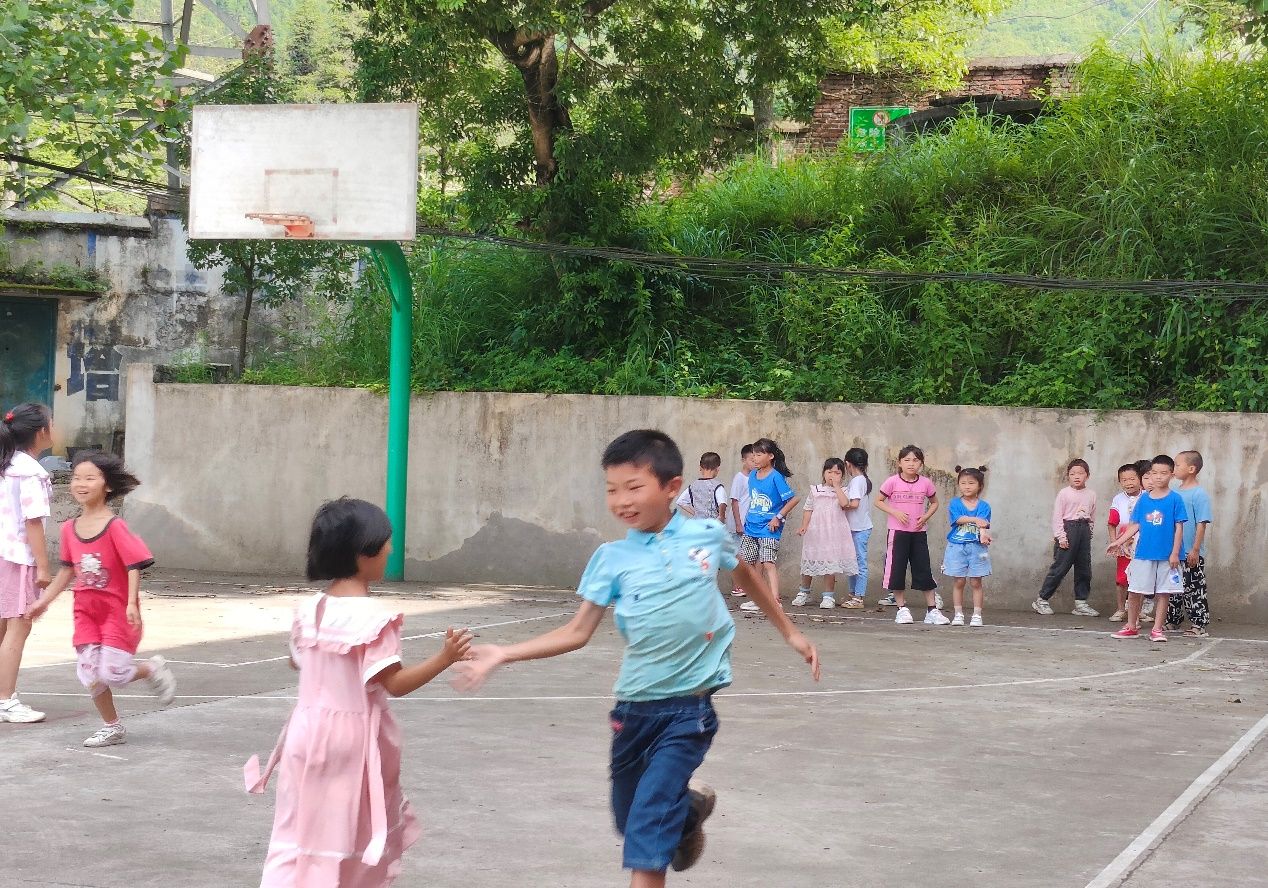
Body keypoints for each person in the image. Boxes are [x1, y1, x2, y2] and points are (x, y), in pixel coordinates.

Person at [453, 429, 819, 888]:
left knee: (645, 839)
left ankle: (669, 820)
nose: (621, 501)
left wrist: (790, 632)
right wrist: (503, 653)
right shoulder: (612, 558)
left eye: (633, 487)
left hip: (688, 712)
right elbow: (577, 632)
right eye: (612, 490)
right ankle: (687, 812)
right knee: (629, 820)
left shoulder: (707, 535)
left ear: (671, 488)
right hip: (632, 712)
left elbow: (746, 576)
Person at [247, 497, 473, 887]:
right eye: (385, 542)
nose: (390, 549)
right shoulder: (374, 618)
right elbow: (395, 684)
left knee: (300, 828)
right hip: (351, 741)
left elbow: (298, 662)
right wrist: (445, 658)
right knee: (347, 832)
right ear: (362, 552)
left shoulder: (310, 610)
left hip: (305, 733)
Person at [28, 451, 176, 747]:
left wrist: (131, 602)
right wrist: (43, 601)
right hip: (86, 613)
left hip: (116, 612)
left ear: (107, 485)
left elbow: (133, 565)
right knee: (90, 672)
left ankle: (151, 669)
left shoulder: (114, 526)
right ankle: (112, 726)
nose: (81, 484)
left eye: (90, 478)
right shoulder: (69, 529)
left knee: (114, 673)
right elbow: (67, 571)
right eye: (76, 478)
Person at [0, 403, 54, 723]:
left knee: (4, 626)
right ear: (42, 432)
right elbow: (33, 522)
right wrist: (43, 567)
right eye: (52, 423)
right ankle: (5, 700)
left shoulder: (6, 465)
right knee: (19, 627)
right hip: (18, 558)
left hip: (2, 555)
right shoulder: (31, 472)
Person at [1107, 455, 1187, 643]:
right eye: (1154, 473)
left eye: (1163, 473)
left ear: (1172, 475)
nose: (1158, 477)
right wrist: (1118, 542)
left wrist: (1175, 553)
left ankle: (1157, 630)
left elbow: (1179, 528)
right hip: (1143, 553)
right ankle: (1131, 626)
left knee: (1163, 592)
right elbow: (1136, 525)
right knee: (1135, 590)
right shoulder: (1143, 500)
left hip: (1166, 556)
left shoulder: (1175, 499)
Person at [876, 445, 945, 625]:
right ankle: (902, 609)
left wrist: (926, 516)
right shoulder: (892, 482)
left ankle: (932, 610)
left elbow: (935, 502)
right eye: (906, 460)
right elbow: (878, 501)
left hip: (918, 533)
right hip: (897, 532)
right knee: (897, 570)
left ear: (921, 463)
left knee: (924, 569)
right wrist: (895, 512)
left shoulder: (926, 483)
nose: (911, 464)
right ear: (899, 463)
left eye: (915, 460)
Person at [737, 438, 799, 614]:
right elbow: (754, 500)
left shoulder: (776, 476)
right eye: (753, 455)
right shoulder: (752, 476)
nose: (754, 458)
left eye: (759, 455)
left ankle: (775, 601)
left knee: (768, 563)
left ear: (770, 456)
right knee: (747, 563)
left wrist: (777, 517)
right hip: (751, 526)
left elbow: (793, 499)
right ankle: (759, 598)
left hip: (769, 528)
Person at [1032, 458, 1098, 617]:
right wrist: (1061, 536)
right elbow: (1057, 517)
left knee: (1084, 569)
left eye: (1080, 473)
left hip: (1084, 530)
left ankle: (1081, 603)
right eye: (1072, 474)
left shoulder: (1091, 494)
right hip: (1069, 529)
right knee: (1060, 568)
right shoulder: (1064, 493)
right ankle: (1042, 599)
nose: (1077, 476)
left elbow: (1092, 515)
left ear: (1087, 476)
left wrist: (1089, 531)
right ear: (1068, 476)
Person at [793, 458, 858, 609]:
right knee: (810, 560)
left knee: (830, 563)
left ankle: (828, 596)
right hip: (816, 532)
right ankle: (804, 592)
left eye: (837, 473)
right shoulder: (815, 490)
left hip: (834, 533)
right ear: (823, 473)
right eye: (829, 472)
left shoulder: (844, 491)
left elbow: (844, 504)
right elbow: (808, 509)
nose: (832, 475)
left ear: (842, 475)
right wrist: (804, 526)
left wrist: (837, 486)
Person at [1165, 450, 1213, 637]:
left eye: (1178, 465)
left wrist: (1195, 549)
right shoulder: (1173, 492)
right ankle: (1173, 620)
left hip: (1190, 552)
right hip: (1174, 552)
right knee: (1173, 587)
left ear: (1191, 469)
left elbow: (1201, 523)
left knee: (1194, 588)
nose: (1174, 468)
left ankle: (1199, 624)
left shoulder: (1199, 494)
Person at [942, 466, 992, 627]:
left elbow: (983, 524)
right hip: (956, 547)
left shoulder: (984, 506)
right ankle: (958, 614)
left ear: (980, 486)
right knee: (959, 581)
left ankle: (977, 614)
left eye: (971, 483)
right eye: (963, 483)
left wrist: (983, 534)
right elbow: (958, 519)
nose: (967, 486)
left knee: (976, 582)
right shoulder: (955, 503)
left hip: (977, 548)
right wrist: (975, 520)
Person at [1107, 464, 1143, 622]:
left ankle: (1137, 612)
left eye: (1132, 479)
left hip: (1142, 546)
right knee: (1122, 579)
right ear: (1120, 482)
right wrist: (1114, 543)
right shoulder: (1118, 499)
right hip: (1124, 546)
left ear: (1139, 479)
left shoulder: (1147, 497)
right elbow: (1111, 523)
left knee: (1141, 579)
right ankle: (1121, 609)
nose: (1129, 483)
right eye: (1124, 480)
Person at [841, 448, 873, 609]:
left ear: (848, 464)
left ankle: (858, 597)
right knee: (853, 562)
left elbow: (854, 504)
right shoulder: (861, 480)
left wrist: (842, 505)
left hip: (859, 528)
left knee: (859, 562)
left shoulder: (857, 481)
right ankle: (853, 594)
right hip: (857, 527)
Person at [727, 444, 755, 597]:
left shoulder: (754, 478)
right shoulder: (739, 478)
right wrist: (738, 523)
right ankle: (737, 586)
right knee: (738, 555)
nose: (754, 462)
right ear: (743, 460)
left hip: (748, 523)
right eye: (751, 459)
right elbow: (734, 501)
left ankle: (742, 585)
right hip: (738, 524)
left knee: (745, 555)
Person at [675, 452, 728, 526]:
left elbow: (680, 501)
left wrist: (695, 513)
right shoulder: (718, 487)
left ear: (700, 468)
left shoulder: (693, 486)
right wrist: (721, 520)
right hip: (712, 526)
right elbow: (722, 505)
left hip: (698, 525)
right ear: (717, 468)